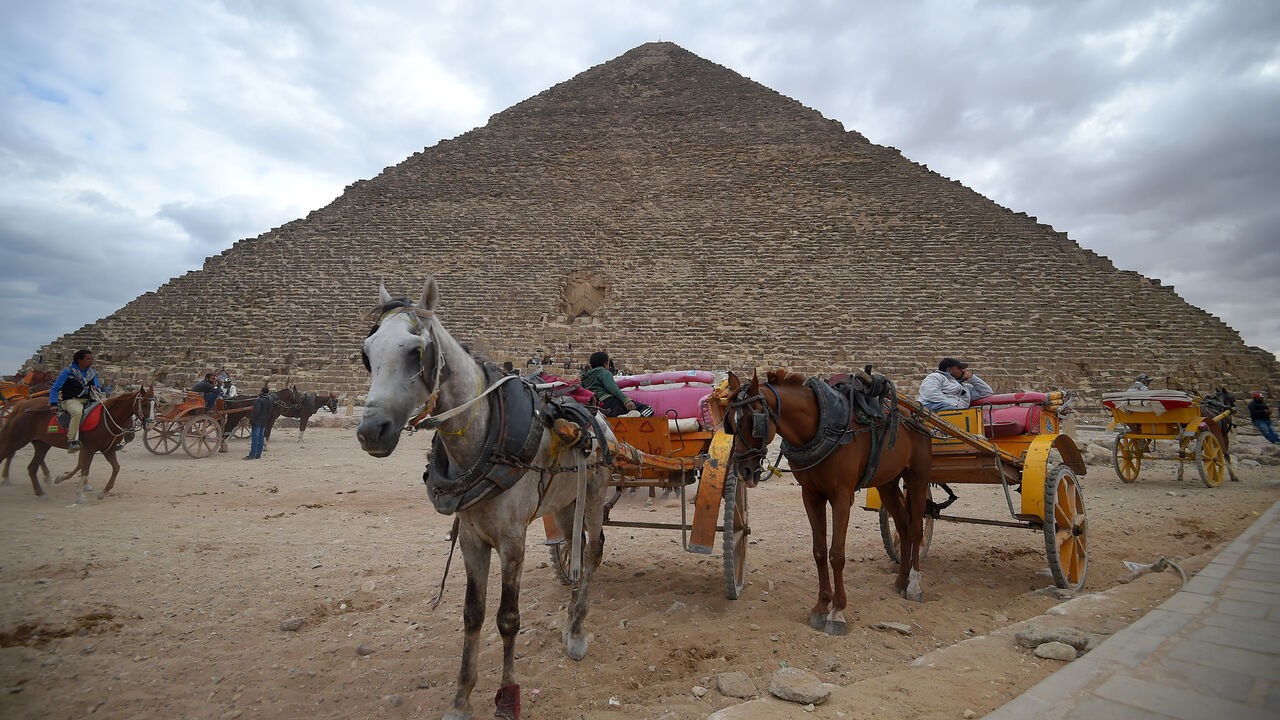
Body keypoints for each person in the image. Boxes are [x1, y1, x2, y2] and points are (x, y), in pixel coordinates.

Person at [49, 349, 102, 452]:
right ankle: (72, 441)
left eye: (92, 359)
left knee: (105, 410)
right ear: (79, 360)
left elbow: (97, 385)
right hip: (71, 401)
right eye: (88, 359)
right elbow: (55, 388)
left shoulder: (91, 373)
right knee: (77, 412)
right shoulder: (68, 372)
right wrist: (53, 403)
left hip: (88, 400)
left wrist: (96, 388)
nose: (91, 361)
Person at [580, 351, 652, 417]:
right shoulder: (604, 372)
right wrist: (626, 400)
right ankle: (638, 420)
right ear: (606, 364)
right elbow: (613, 388)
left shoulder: (585, 377)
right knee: (647, 409)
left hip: (594, 406)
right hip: (608, 403)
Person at [917, 357, 994, 412]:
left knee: (976, 419)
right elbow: (931, 395)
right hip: (933, 408)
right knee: (965, 415)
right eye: (959, 368)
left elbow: (986, 391)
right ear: (949, 370)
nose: (963, 371)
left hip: (955, 411)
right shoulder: (936, 377)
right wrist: (956, 406)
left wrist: (972, 378)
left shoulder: (965, 388)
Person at [245, 385, 274, 459]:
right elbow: (270, 411)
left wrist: (251, 421)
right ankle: (258, 454)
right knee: (261, 438)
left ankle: (252, 454)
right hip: (264, 421)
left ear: (262, 392)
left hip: (257, 421)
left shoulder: (259, 400)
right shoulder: (270, 400)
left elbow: (256, 412)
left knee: (255, 438)